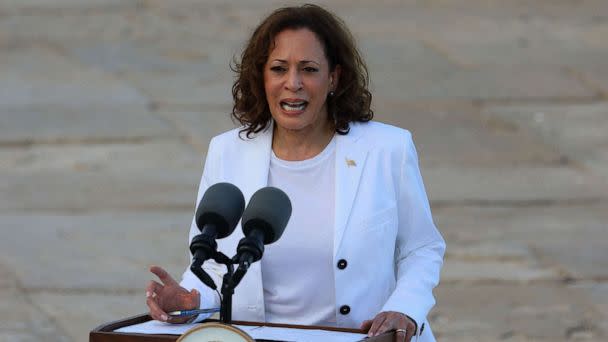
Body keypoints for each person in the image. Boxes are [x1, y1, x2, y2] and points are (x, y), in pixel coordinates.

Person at [146, 4, 445, 342]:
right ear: (262, 77)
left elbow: (421, 248)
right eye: (278, 69)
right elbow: (216, 266)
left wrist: (404, 308)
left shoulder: (387, 149)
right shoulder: (228, 152)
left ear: (334, 77)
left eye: (309, 69)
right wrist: (190, 299)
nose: (293, 83)